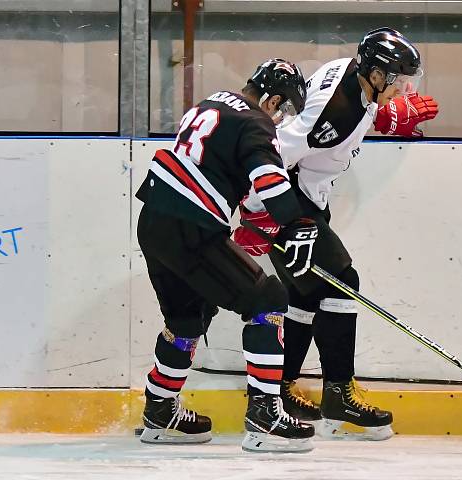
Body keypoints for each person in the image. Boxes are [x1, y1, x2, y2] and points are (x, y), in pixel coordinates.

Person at [233, 28, 439, 440]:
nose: (400, 89)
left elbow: (337, 115)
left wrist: (382, 115)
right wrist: (259, 214)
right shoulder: (335, 112)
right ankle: (339, 393)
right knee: (345, 283)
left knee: (307, 294)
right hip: (289, 205)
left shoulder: (349, 73)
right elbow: (273, 149)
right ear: (376, 73)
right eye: (395, 81)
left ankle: (281, 387)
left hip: (308, 196)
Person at [135, 58, 321, 453]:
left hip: (154, 222)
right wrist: (293, 224)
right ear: (272, 99)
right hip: (191, 228)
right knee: (268, 298)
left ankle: (159, 410)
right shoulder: (256, 121)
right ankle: (265, 417)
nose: (280, 116)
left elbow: (218, 171)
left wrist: (257, 217)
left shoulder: (210, 104)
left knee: (187, 319)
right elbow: (268, 178)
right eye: (283, 107)